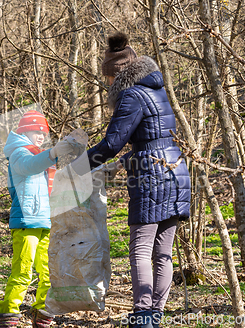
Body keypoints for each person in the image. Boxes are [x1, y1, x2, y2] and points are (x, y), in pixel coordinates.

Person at [87, 32, 191, 328]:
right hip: (176, 172)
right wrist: (123, 162)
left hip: (151, 177)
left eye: (108, 79)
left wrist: (78, 165)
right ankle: (153, 315)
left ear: (117, 75)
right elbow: (153, 137)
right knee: (163, 252)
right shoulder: (156, 90)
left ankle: (143, 314)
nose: (107, 85)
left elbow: (111, 142)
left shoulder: (131, 96)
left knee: (141, 249)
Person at [0, 110, 73, 328]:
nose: (40, 135)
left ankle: (42, 311)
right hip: (27, 221)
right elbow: (30, 166)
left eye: (43, 132)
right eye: (36, 131)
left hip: (46, 220)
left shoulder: (40, 154)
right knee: (23, 269)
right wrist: (53, 152)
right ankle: (10, 311)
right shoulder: (19, 153)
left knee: (48, 271)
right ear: (25, 131)